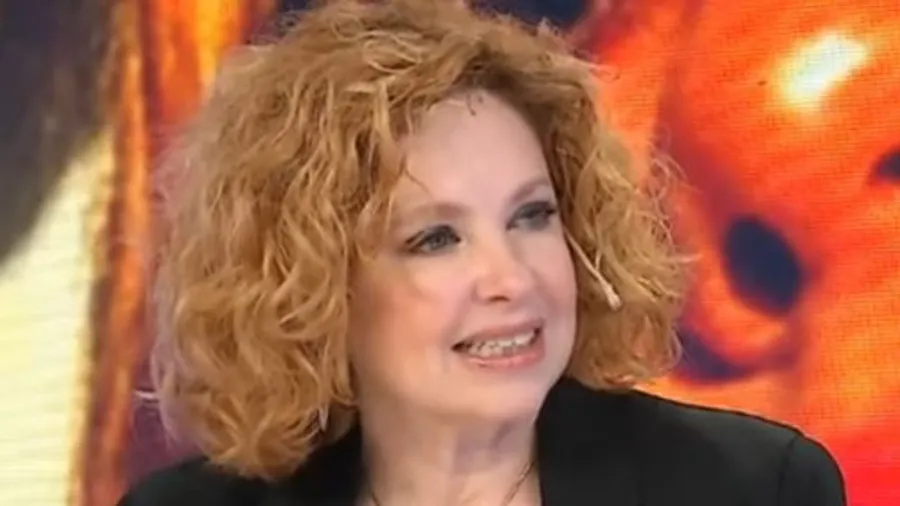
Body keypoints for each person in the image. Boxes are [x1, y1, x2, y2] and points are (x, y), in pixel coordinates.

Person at [120, 0, 846, 505]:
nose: (511, 279)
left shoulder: (757, 489)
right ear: (310, 288)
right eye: (436, 239)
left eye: (532, 217)